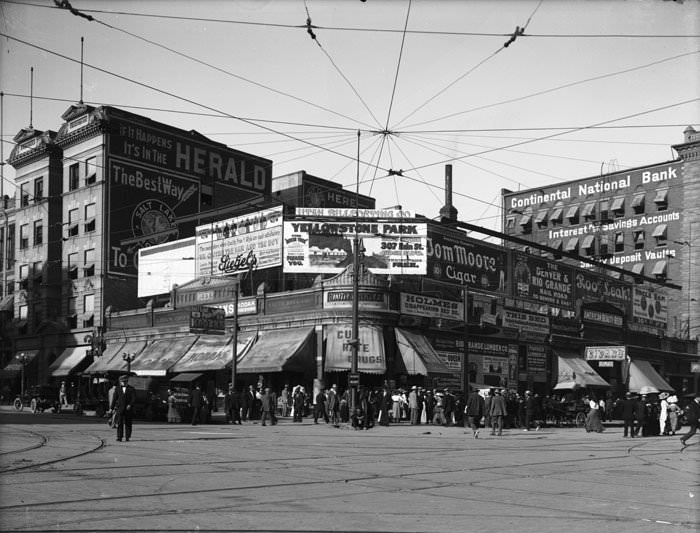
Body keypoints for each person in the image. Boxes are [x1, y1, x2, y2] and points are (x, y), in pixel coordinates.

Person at [110, 374, 136, 442]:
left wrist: (130, 405)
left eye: (125, 381)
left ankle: (127, 437)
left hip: (128, 409)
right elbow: (114, 398)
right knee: (119, 423)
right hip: (120, 408)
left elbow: (133, 398)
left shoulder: (131, 389)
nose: (124, 383)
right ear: (120, 382)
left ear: (127, 381)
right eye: (123, 382)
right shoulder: (117, 388)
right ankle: (119, 437)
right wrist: (111, 408)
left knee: (128, 423)